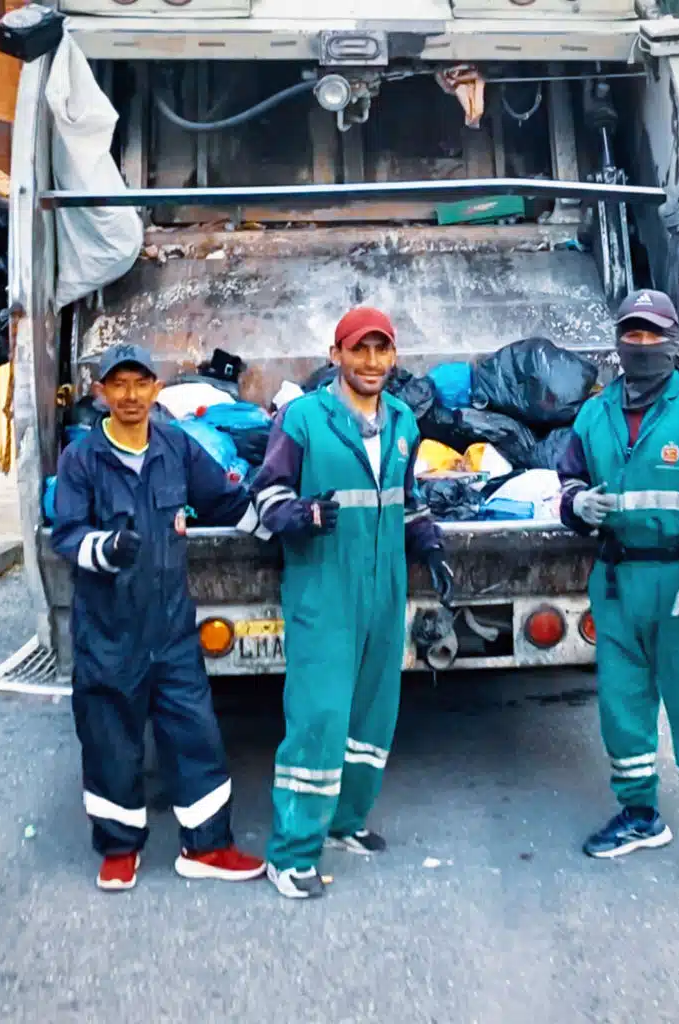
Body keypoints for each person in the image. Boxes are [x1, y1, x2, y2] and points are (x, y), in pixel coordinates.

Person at [252, 307, 453, 899]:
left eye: (381, 350)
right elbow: (266, 495)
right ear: (335, 355)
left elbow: (407, 499)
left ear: (393, 357)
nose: (370, 361)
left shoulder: (403, 421)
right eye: (358, 349)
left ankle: (345, 821)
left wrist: (430, 544)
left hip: (384, 588)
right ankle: (291, 854)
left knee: (374, 712)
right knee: (319, 718)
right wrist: (301, 514)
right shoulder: (302, 419)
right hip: (324, 588)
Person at [557, 289, 679, 895]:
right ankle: (640, 813)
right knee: (622, 707)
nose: (641, 345)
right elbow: (567, 479)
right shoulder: (594, 414)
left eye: (653, 335)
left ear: (674, 343)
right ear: (618, 342)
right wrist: (576, 504)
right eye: (632, 334)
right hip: (617, 582)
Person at [52, 343, 267, 891]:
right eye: (118, 384)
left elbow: (224, 500)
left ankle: (208, 846)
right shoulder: (81, 459)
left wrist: (282, 520)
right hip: (109, 632)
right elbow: (67, 535)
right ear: (100, 392)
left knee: (196, 735)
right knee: (110, 742)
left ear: (155, 389)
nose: (130, 395)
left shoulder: (176, 445)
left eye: (140, 383)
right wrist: (104, 548)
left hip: (171, 629)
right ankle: (119, 849)